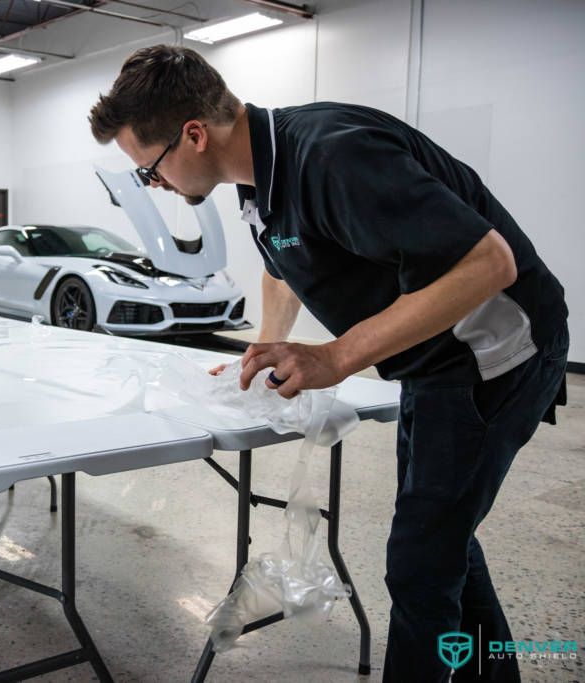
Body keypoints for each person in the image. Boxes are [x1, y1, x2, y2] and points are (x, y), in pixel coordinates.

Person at [89, 45, 568, 682]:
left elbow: (490, 264)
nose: (156, 186)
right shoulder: (260, 174)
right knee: (441, 544)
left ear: (194, 135)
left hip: (493, 358)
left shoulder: (334, 157)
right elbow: (282, 262)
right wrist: (262, 347)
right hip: (431, 364)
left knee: (420, 563)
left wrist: (337, 356)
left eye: (150, 170)